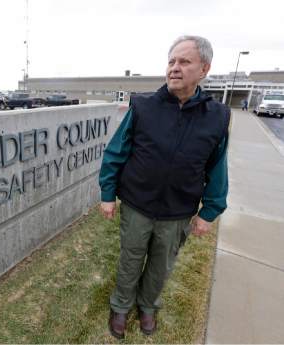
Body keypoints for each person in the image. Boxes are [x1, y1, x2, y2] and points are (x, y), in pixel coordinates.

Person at [99, 35, 230, 339]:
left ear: (204, 69)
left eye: (184, 61)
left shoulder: (217, 117)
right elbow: (116, 151)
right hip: (137, 203)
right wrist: (108, 194)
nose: (174, 68)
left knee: (161, 265)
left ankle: (147, 305)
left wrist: (209, 213)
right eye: (171, 61)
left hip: (178, 211)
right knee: (130, 257)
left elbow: (217, 167)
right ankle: (120, 305)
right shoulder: (143, 106)